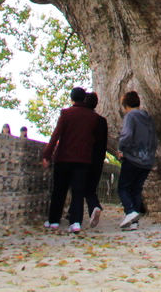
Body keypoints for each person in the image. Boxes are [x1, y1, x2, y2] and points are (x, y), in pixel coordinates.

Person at [42, 87, 101, 233]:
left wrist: (47, 155)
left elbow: (56, 135)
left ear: (72, 99)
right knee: (78, 192)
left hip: (64, 158)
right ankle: (76, 222)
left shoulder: (66, 114)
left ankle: (53, 221)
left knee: (59, 190)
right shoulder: (93, 117)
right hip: (83, 160)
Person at [117, 90, 157, 230]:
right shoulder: (148, 117)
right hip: (147, 160)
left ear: (125, 105)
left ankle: (130, 211)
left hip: (133, 158)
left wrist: (121, 148)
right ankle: (134, 223)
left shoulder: (131, 116)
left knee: (123, 188)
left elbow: (127, 135)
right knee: (136, 190)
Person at [81, 92, 108, 229]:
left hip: (84, 158)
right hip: (97, 160)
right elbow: (104, 144)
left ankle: (74, 215)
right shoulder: (102, 121)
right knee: (90, 189)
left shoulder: (85, 119)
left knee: (79, 188)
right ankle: (94, 208)